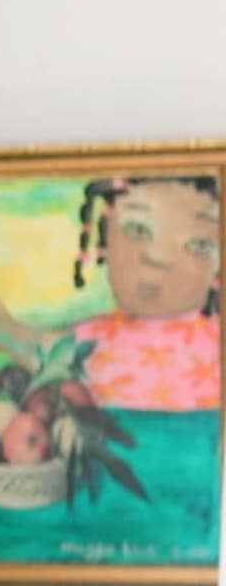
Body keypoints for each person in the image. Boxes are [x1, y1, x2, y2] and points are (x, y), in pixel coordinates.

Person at [70, 172, 222, 412]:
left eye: (198, 245)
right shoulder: (80, 343)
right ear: (105, 233)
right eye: (138, 230)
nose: (157, 259)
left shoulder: (217, 345)